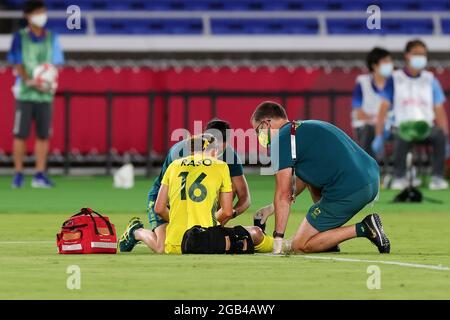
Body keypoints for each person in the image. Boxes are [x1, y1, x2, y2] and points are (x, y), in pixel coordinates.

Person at [251, 101, 390, 254]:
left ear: (266, 123)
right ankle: (328, 240)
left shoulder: (281, 140)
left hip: (350, 189)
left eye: (258, 131)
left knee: (299, 245)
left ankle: (365, 227)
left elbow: (283, 194)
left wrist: (278, 239)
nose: (259, 137)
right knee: (312, 181)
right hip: (371, 179)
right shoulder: (304, 127)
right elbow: (304, 179)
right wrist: (271, 208)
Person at [119, 134, 273, 254]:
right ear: (213, 150)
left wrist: (179, 220)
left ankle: (139, 232)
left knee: (162, 248)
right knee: (253, 234)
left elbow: (159, 208)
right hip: (204, 238)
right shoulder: (220, 166)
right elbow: (226, 211)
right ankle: (137, 232)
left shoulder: (174, 165)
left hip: (175, 244)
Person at [372, 39, 448, 191]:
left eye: (423, 54)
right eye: (416, 53)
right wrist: (379, 135)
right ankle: (400, 177)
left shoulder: (430, 80)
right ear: (407, 55)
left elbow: (439, 109)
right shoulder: (394, 78)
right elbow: (383, 108)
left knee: (439, 135)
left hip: (425, 127)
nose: (420, 57)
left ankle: (437, 178)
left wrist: (446, 137)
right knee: (401, 135)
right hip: (401, 126)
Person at [8, 0, 64, 188]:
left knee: (43, 135)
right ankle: (18, 174)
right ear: (28, 15)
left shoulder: (52, 37)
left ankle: (39, 174)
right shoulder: (20, 37)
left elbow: (56, 63)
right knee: (20, 134)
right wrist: (29, 81)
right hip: (25, 94)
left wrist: (49, 80)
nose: (41, 15)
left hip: (45, 95)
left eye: (43, 11)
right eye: (37, 12)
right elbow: (16, 62)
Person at [351, 47, 393, 158]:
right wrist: (377, 122)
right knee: (369, 130)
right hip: (367, 125)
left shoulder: (395, 83)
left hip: (389, 125)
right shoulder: (362, 83)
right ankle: (367, 167)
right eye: (385, 61)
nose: (390, 64)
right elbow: (359, 113)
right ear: (374, 65)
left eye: (390, 61)